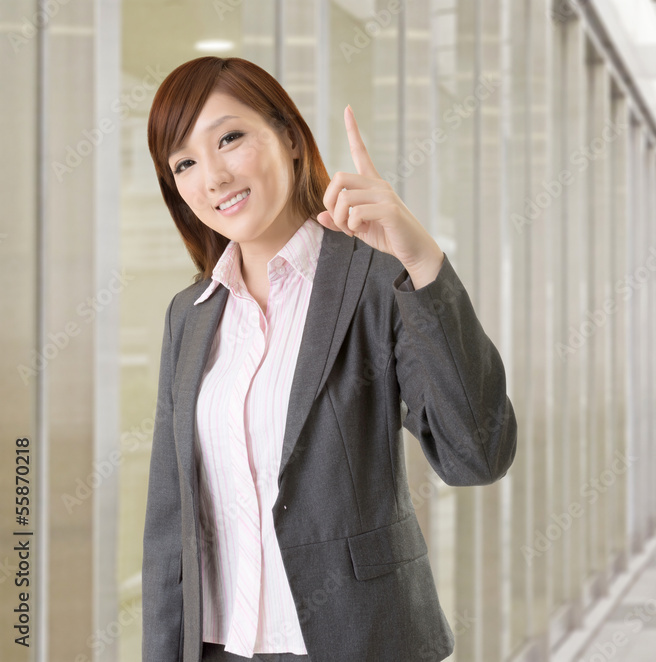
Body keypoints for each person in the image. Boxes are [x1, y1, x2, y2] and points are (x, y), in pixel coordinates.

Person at [142, 55, 517, 662]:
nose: (212, 176)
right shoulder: (190, 314)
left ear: (290, 137)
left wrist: (422, 264)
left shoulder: (377, 280)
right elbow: (170, 524)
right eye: (184, 163)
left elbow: (476, 454)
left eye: (229, 138)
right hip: (217, 646)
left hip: (357, 640)